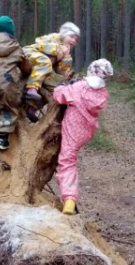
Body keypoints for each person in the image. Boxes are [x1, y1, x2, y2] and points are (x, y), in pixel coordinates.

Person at [53, 59, 114, 215]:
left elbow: (58, 96)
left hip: (73, 131)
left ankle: (69, 199)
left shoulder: (77, 88)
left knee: (67, 162)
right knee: (70, 155)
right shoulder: (103, 93)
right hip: (87, 131)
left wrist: (62, 86)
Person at [0, 15, 31, 150]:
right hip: (8, 83)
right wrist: (27, 71)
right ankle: (2, 139)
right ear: (11, 31)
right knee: (7, 108)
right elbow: (25, 67)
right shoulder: (16, 47)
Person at [22, 22, 80, 122]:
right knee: (45, 62)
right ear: (64, 34)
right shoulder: (54, 37)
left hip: (42, 69)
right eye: (71, 36)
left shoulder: (66, 51)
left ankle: (32, 107)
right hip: (30, 55)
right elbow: (40, 43)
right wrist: (58, 50)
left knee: (53, 89)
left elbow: (60, 70)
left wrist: (65, 56)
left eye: (76, 39)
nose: (73, 40)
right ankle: (31, 88)